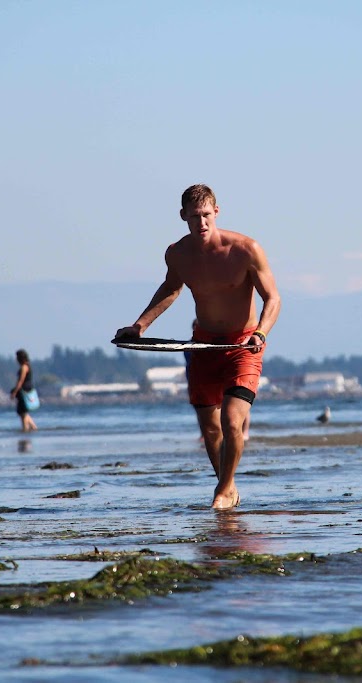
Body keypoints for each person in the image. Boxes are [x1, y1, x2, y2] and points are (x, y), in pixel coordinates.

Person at [115, 184, 280, 509]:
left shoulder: (246, 249)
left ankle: (224, 488)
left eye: (206, 215)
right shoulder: (178, 254)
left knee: (233, 421)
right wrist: (140, 326)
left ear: (216, 212)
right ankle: (227, 487)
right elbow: (171, 288)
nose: (201, 223)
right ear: (183, 217)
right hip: (203, 346)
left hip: (243, 345)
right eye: (194, 217)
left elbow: (273, 298)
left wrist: (260, 333)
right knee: (210, 428)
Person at [10, 349, 38, 432]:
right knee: (23, 412)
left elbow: (21, 381)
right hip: (26, 388)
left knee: (23, 412)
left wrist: (15, 392)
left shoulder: (24, 367)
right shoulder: (27, 366)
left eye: (17, 358)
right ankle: (33, 428)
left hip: (24, 390)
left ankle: (25, 429)